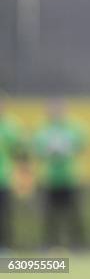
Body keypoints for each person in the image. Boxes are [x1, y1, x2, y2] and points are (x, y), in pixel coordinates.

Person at [32, 99, 87, 249]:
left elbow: (83, 145)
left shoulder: (73, 128)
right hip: (50, 178)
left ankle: (77, 245)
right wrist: (49, 152)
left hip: (69, 178)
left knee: (73, 215)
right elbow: (37, 150)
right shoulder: (43, 130)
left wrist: (68, 150)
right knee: (49, 216)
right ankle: (49, 245)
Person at [0, 102, 23, 251]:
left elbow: (19, 151)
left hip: (2, 178)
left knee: (3, 215)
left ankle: (5, 246)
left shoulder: (10, 127)